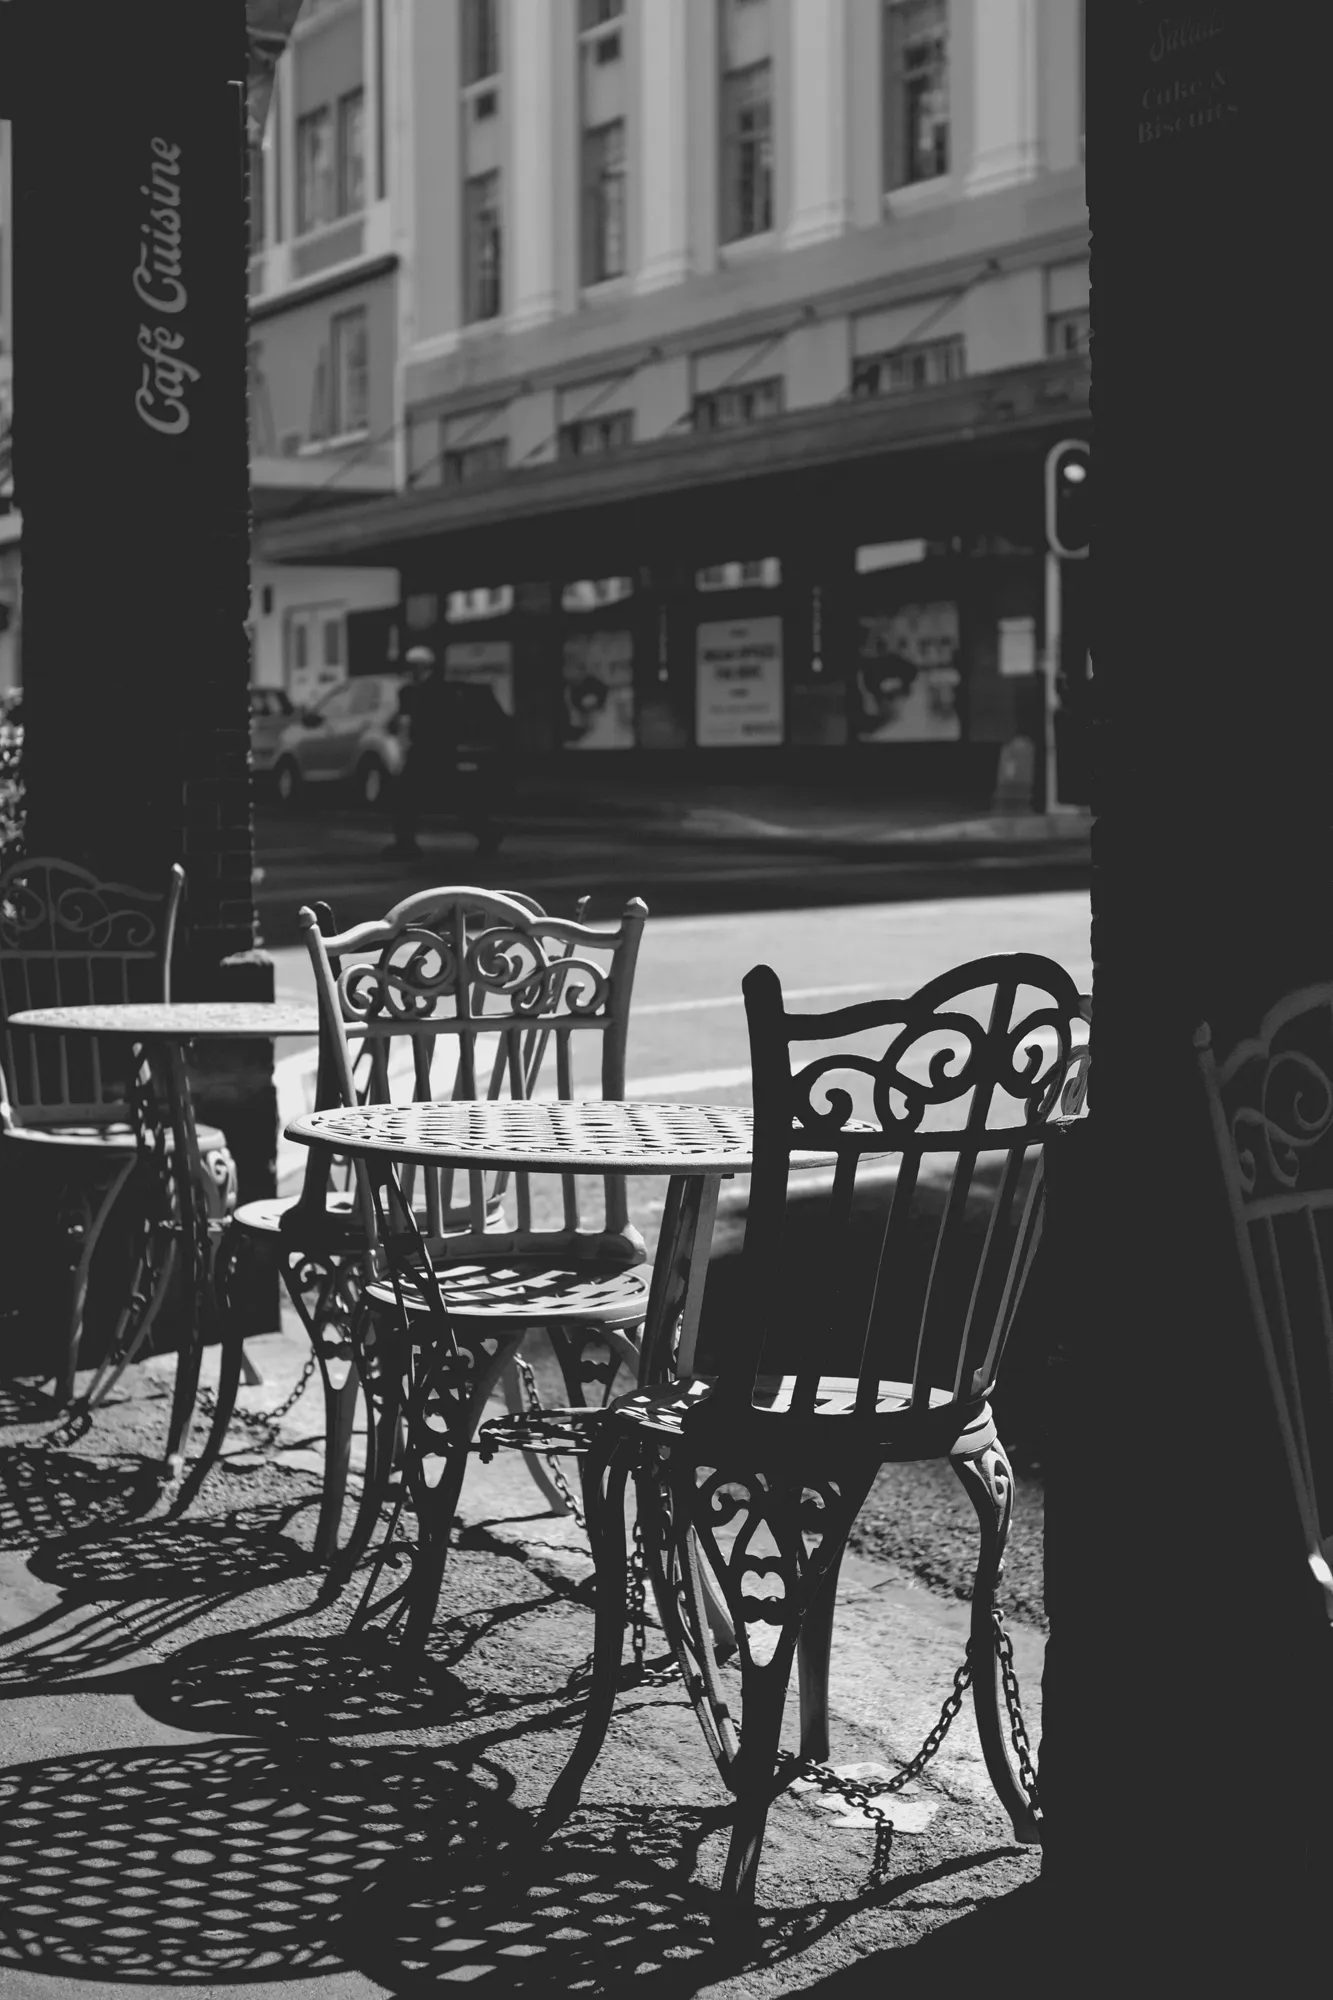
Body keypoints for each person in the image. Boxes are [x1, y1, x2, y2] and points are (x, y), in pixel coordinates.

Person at [383, 645, 455, 859]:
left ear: (422, 667)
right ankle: (405, 842)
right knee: (409, 796)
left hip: (432, 751)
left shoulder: (437, 690)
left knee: (414, 796)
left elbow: (437, 723)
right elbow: (401, 719)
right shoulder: (411, 691)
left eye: (412, 666)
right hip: (419, 752)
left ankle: (405, 842)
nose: (408, 671)